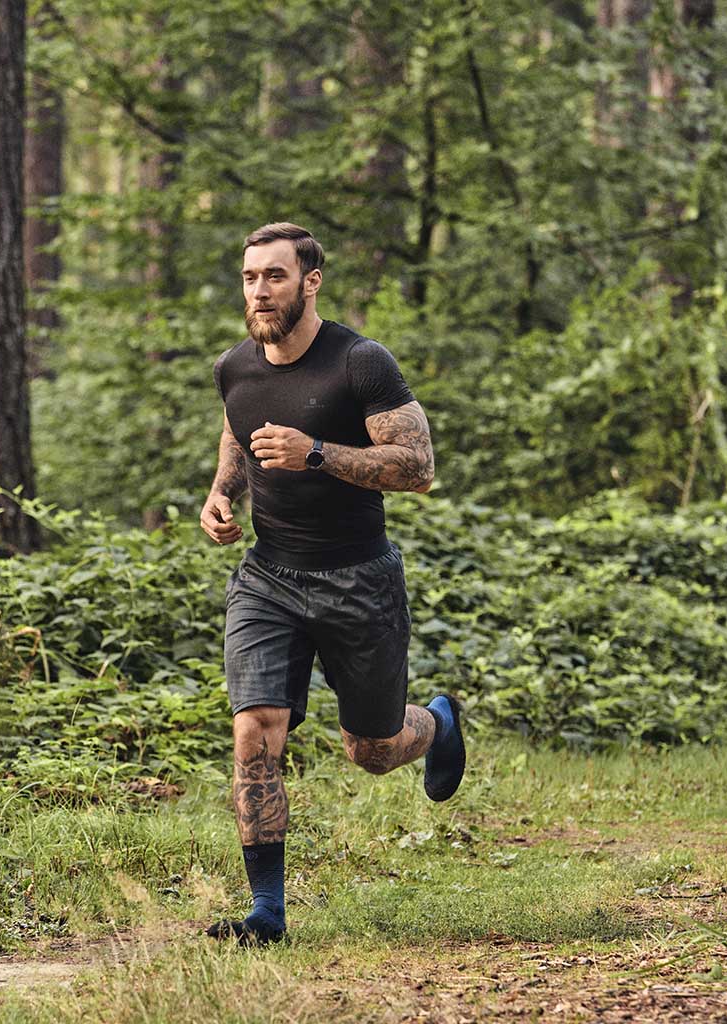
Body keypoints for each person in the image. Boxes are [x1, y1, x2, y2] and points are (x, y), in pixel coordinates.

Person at [199, 222, 465, 946]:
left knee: (371, 749)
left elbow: (418, 468)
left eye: (275, 276)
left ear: (310, 282)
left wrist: (315, 453)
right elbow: (237, 433)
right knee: (255, 727)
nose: (259, 291)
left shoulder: (360, 362)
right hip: (269, 578)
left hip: (358, 581)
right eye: (250, 277)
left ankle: (437, 722)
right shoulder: (235, 367)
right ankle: (267, 912)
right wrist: (222, 494)